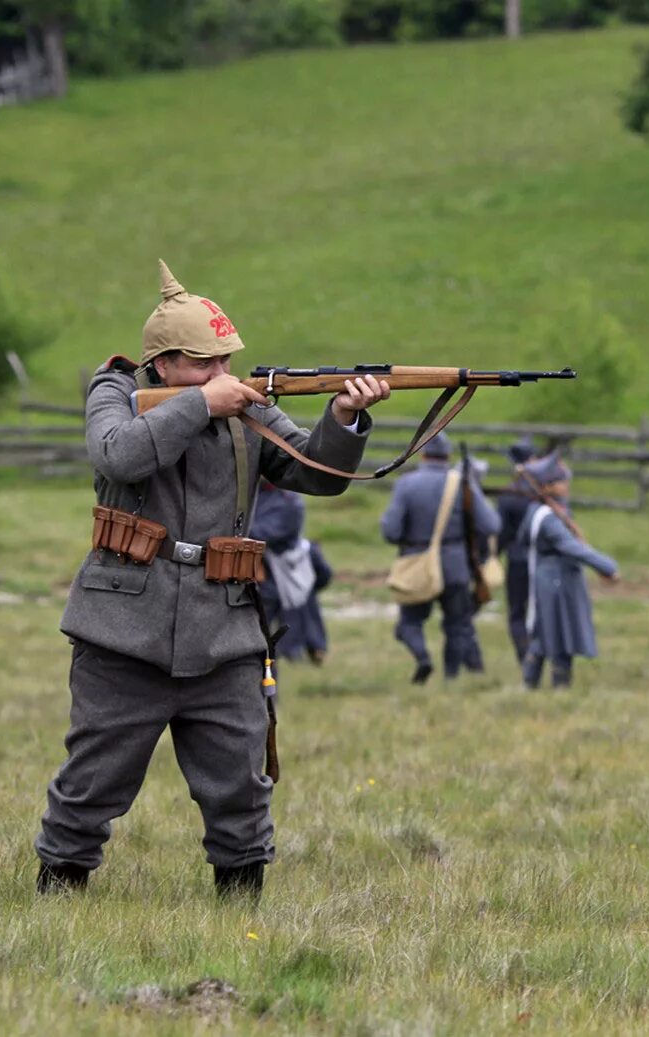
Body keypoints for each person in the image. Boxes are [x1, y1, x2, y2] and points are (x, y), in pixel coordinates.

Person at [35, 261, 387, 901]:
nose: (223, 375)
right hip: (123, 628)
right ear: (164, 363)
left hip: (225, 624)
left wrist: (344, 417)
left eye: (226, 361)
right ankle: (58, 892)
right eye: (204, 364)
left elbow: (318, 475)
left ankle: (239, 909)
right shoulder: (114, 391)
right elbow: (118, 452)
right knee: (95, 777)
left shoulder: (243, 409)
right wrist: (199, 405)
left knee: (240, 781)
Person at [381, 431, 500, 685]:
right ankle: (451, 678)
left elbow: (391, 531)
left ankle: (423, 659)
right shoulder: (461, 483)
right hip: (455, 566)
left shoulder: (406, 484)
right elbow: (490, 524)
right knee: (458, 626)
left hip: (417, 564)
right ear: (448, 456)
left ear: (423, 455)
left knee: (409, 623)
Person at [516, 453, 619, 689]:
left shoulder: (547, 511)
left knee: (544, 634)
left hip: (553, 578)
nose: (567, 485)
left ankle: (530, 684)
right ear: (548, 486)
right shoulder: (547, 517)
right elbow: (570, 547)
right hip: (554, 581)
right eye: (561, 481)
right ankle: (557, 687)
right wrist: (606, 566)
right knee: (557, 634)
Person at [251, 480, 332, 666]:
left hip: (283, 569)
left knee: (298, 610)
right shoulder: (257, 494)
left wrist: (243, 532)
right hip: (261, 569)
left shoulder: (289, 500)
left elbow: (268, 532)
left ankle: (309, 648)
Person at [497, 436, 537, 662]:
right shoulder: (544, 494)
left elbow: (501, 533)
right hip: (542, 559)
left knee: (517, 614)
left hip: (517, 560)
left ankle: (526, 658)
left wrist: (491, 557)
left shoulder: (509, 495)